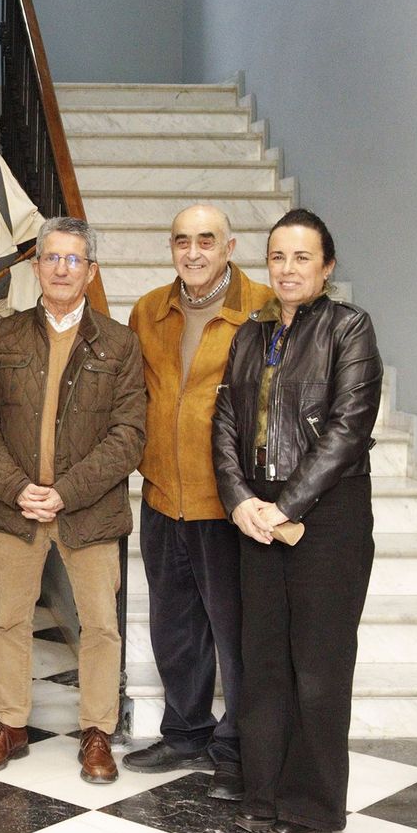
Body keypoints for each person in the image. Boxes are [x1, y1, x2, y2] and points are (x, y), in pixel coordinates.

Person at [213, 208, 382, 833]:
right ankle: (263, 791)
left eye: (302, 257)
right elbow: (225, 422)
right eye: (278, 256)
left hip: (328, 517)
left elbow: (348, 429)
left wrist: (288, 505)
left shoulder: (350, 329)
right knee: (262, 662)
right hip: (258, 516)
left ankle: (310, 805)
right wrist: (239, 502)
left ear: (327, 266)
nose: (287, 269)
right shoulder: (251, 334)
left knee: (318, 664)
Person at [0, 217, 145, 783]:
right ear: (37, 266)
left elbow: (129, 436)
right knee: (10, 621)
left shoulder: (119, 343)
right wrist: (19, 487)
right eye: (52, 258)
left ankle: (97, 731)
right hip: (14, 507)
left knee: (100, 626)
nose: (62, 269)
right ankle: (11, 724)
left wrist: (64, 493)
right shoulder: (3, 337)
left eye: (74, 260)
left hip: (89, 511)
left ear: (90, 271)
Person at [122, 205, 274, 799]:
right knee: (175, 629)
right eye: (182, 241)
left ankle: (237, 746)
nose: (193, 252)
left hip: (230, 504)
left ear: (229, 246)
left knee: (236, 635)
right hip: (163, 498)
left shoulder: (261, 308)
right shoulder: (149, 310)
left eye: (206, 241)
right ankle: (185, 732)